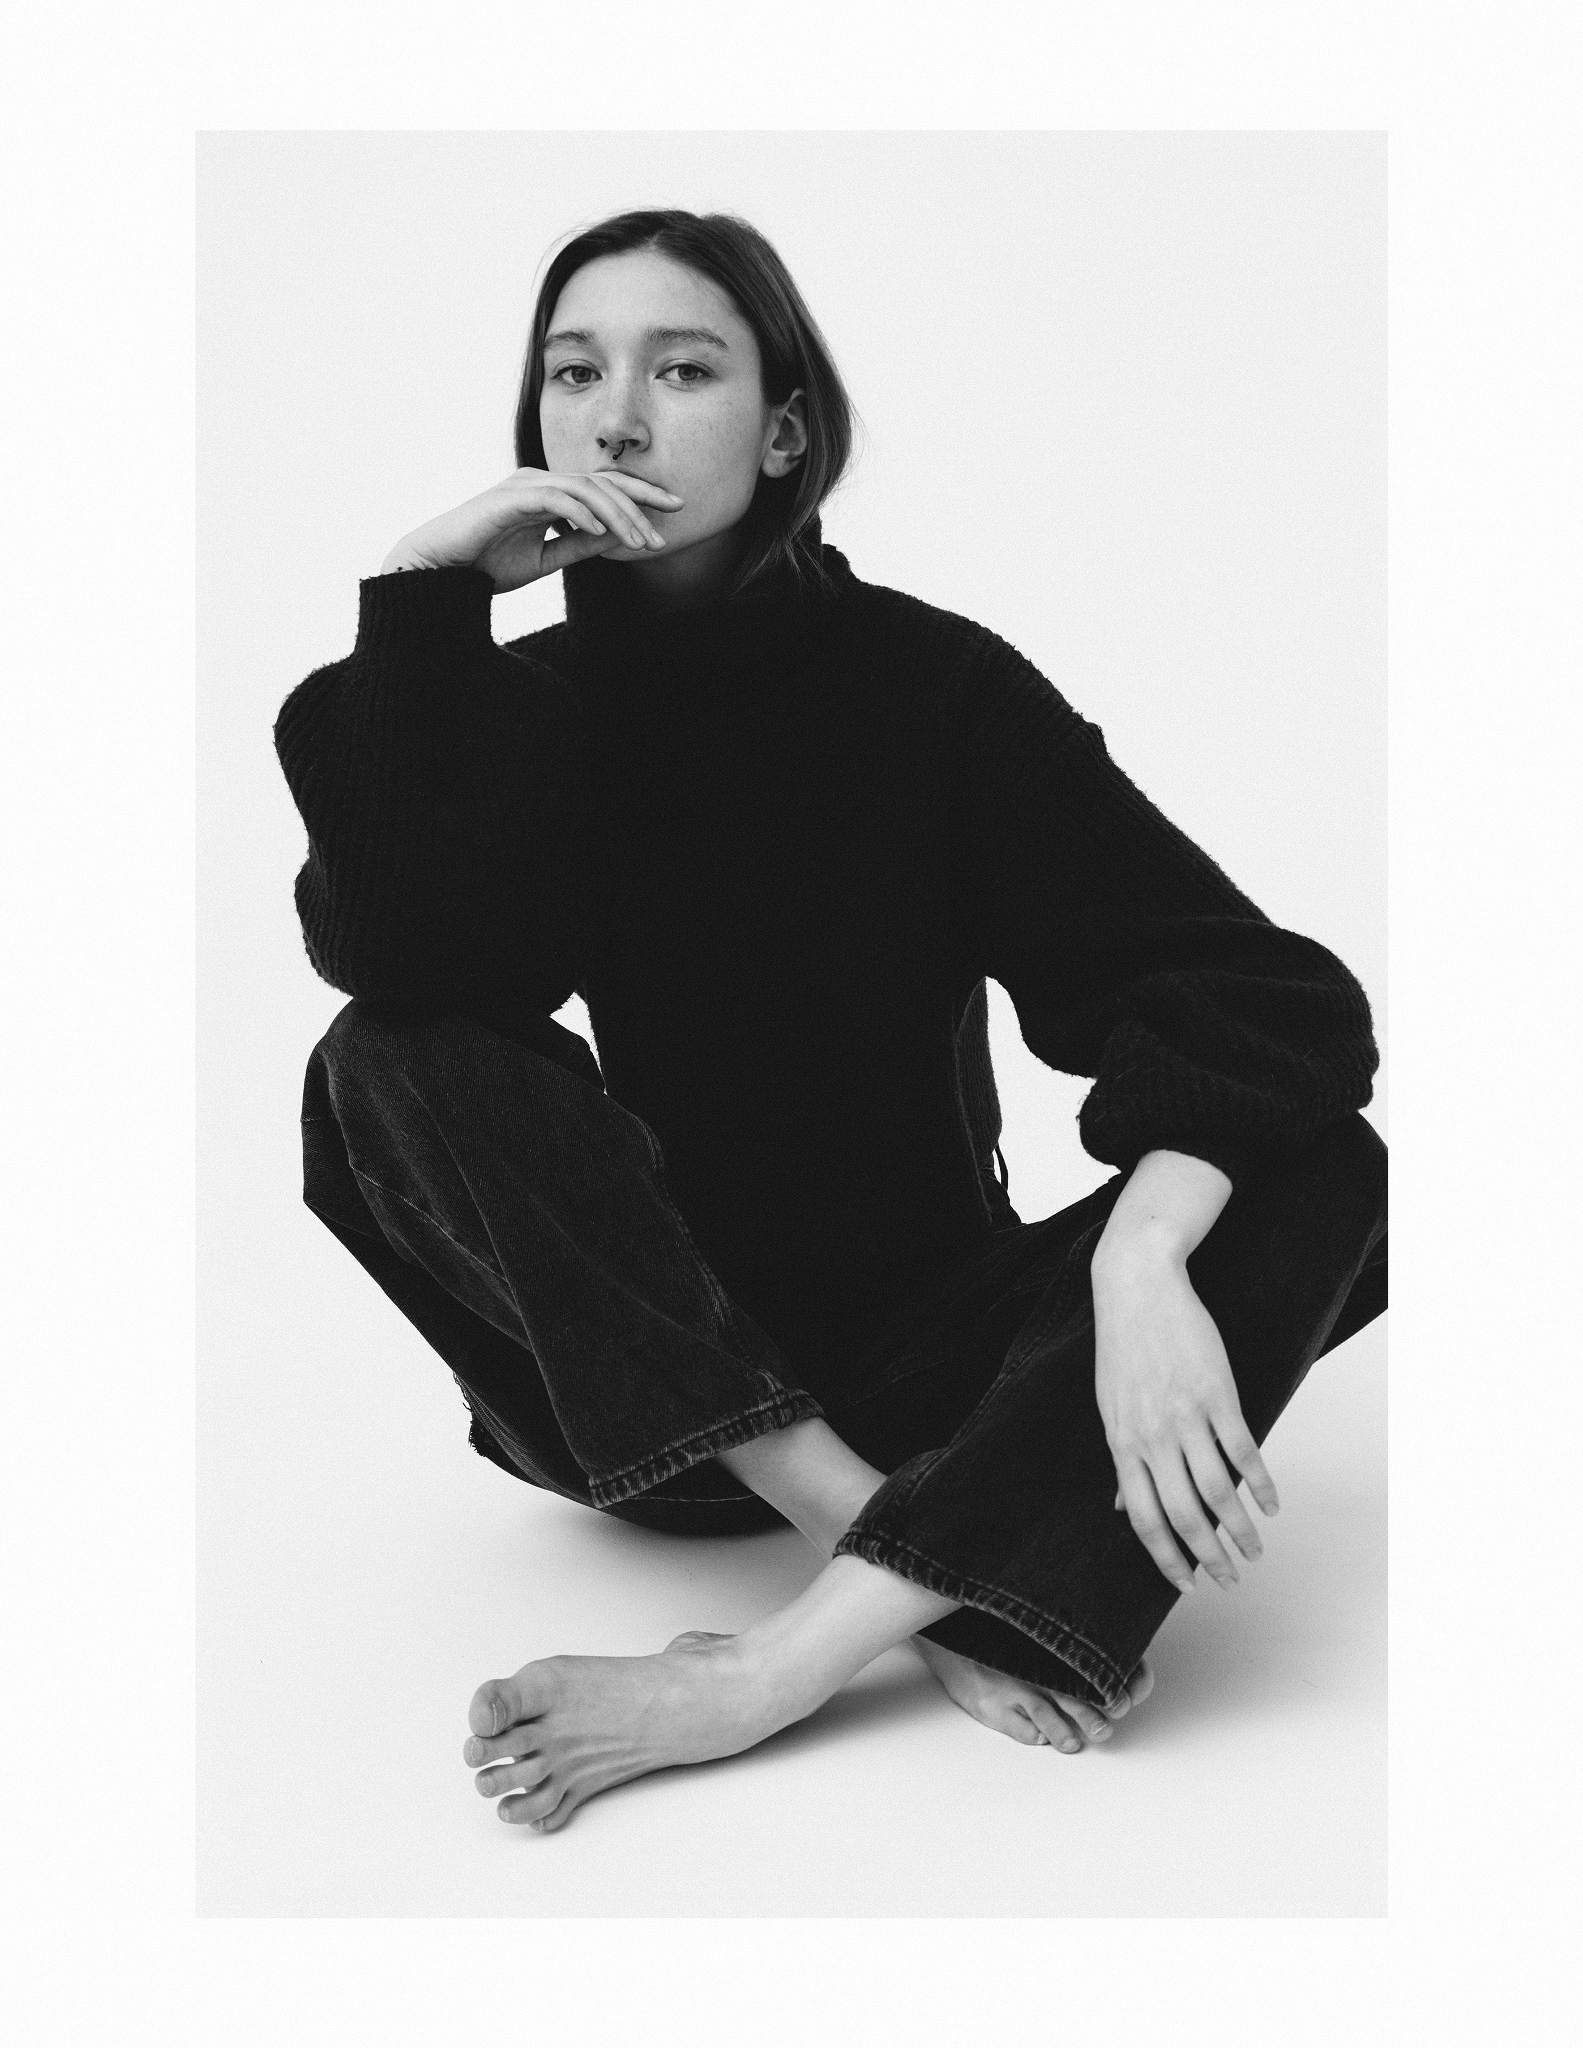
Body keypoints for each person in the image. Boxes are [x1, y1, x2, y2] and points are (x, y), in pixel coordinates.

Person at [275, 208, 1387, 1835]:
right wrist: (423, 596)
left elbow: (1262, 998)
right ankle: (909, 1562)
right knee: (387, 1052)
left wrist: (1142, 1260)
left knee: (1329, 1166)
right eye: (574, 374)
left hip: (939, 1366)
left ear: (785, 431)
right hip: (635, 1399)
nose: (615, 420)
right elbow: (400, 954)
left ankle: (783, 1660)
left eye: (682, 370)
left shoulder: (932, 690)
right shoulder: (515, 715)